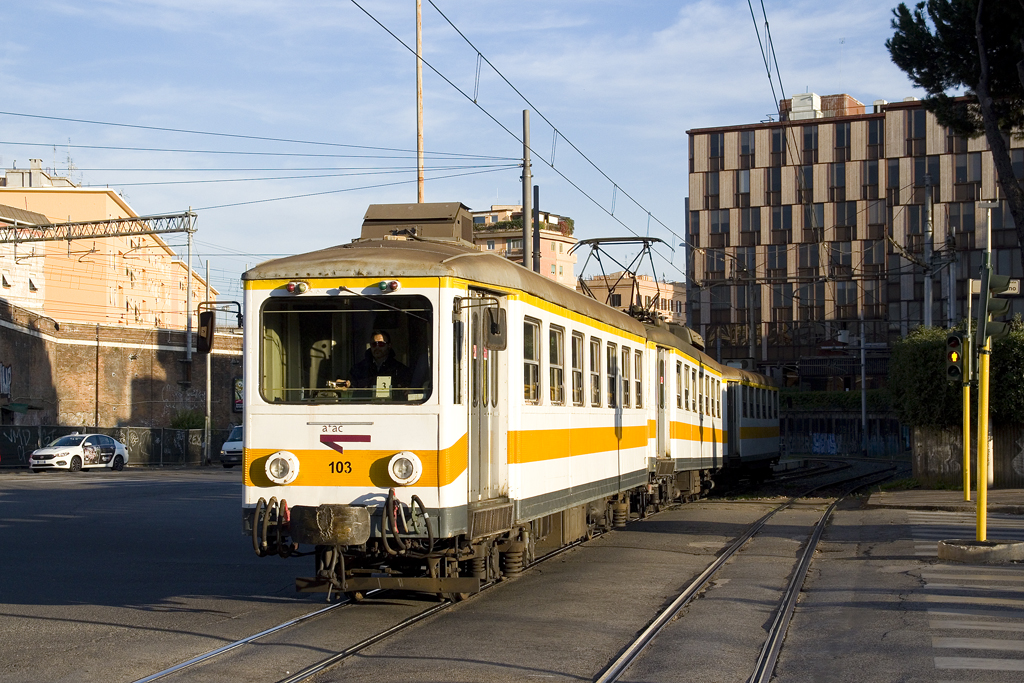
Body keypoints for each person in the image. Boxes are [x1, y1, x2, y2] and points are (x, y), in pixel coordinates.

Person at [333, 330, 411, 394]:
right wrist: (345, 385)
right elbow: (350, 384)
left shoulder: (400, 369)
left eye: (381, 344)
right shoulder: (358, 369)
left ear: (389, 345)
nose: (377, 347)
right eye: (374, 344)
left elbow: (407, 391)